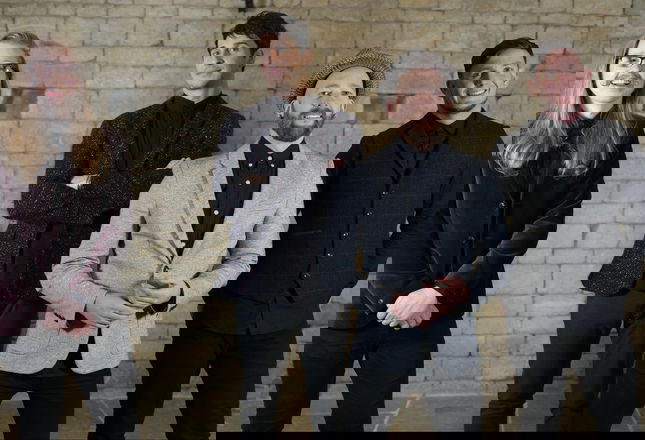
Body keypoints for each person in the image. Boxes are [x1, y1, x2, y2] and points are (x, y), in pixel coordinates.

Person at [94, 48, 395, 439]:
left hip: (276, 302)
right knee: (145, 393)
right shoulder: (243, 130)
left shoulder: (331, 166)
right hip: (163, 272)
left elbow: (307, 237)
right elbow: (168, 181)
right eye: (333, 86)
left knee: (205, 414)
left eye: (348, 95)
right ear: (310, 85)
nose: (335, 97)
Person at [466, 37, 645, 432]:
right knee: (539, 379)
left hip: (614, 288)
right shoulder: (548, 138)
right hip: (601, 283)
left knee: (596, 397)